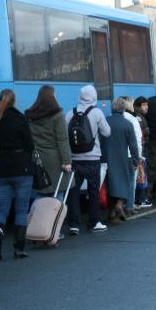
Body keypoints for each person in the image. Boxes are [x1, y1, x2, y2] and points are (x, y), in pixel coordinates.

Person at [0, 89, 34, 260]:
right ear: (14, 101)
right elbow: (30, 145)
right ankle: (19, 248)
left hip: (1, 169)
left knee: (1, 209)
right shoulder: (20, 119)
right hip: (21, 168)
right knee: (21, 210)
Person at [65, 85, 111, 234]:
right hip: (92, 158)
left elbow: (65, 136)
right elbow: (107, 132)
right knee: (93, 191)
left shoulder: (70, 113)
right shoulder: (96, 112)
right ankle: (94, 222)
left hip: (74, 159)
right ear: (94, 96)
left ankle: (73, 224)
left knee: (73, 191)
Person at [25, 85, 73, 199]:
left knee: (41, 194)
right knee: (58, 194)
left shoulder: (31, 116)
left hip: (38, 159)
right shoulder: (58, 115)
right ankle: (56, 217)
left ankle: (37, 216)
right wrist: (67, 161)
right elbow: (62, 139)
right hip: (55, 161)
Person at [103, 97, 140, 223]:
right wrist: (135, 160)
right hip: (123, 158)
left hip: (106, 158)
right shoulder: (127, 124)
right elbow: (133, 146)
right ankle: (119, 204)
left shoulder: (105, 121)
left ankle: (112, 211)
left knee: (110, 183)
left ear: (112, 109)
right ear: (123, 109)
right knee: (124, 182)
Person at [119, 96, 143, 215]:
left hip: (117, 155)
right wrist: (138, 158)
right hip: (130, 155)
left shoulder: (112, 119)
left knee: (118, 181)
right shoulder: (132, 120)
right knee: (131, 181)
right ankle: (129, 206)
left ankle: (118, 204)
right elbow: (137, 141)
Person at [132, 96, 151, 208]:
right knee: (141, 174)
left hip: (141, 148)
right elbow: (141, 134)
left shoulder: (140, 116)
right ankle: (141, 199)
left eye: (146, 104)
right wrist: (147, 131)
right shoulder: (139, 118)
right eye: (144, 105)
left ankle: (141, 198)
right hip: (141, 149)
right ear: (139, 106)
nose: (146, 107)